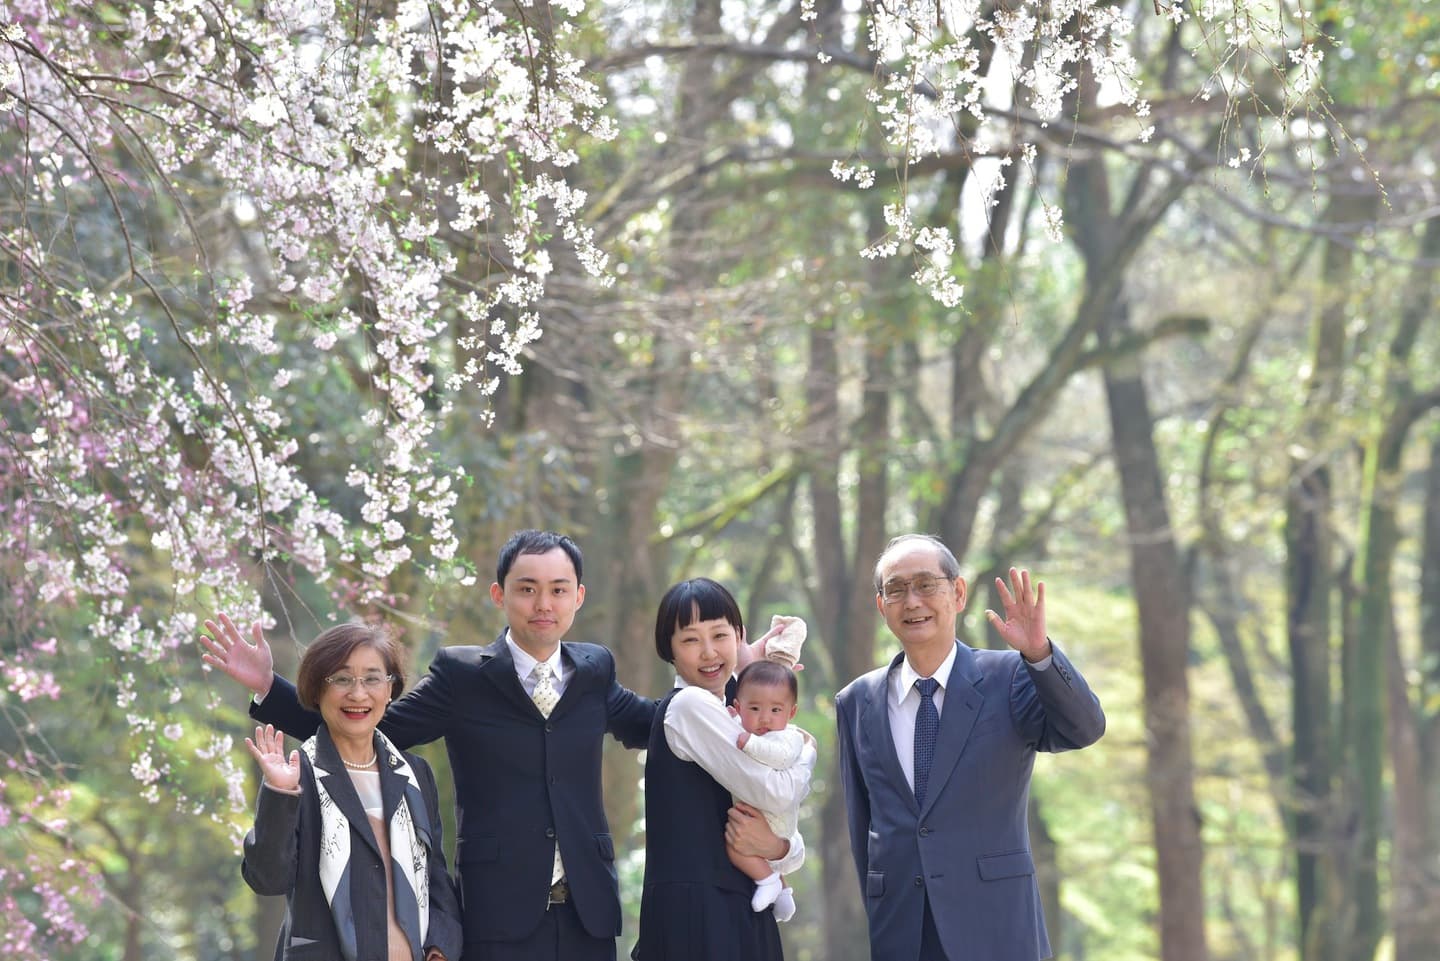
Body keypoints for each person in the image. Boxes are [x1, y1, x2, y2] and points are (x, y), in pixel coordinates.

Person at [202, 529, 786, 961]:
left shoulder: (595, 670)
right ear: (499, 594)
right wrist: (271, 689)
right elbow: (370, 724)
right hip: (498, 914)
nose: (543, 604)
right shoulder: (462, 676)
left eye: (558, 590)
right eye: (527, 589)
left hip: (589, 913)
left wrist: (739, 678)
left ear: (578, 597)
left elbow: (662, 726)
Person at [835, 534, 1106, 961]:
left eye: (926, 584)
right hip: (902, 932)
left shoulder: (1010, 677)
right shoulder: (857, 700)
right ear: (881, 605)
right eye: (896, 589)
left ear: (958, 593)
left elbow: (1084, 728)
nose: (912, 601)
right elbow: (862, 824)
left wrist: (1039, 654)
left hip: (996, 929)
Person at [240, 623, 462, 961]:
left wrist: (440, 948)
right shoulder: (298, 775)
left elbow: (435, 879)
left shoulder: (415, 774)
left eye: (372, 679)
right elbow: (267, 879)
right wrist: (280, 795)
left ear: (390, 690)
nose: (358, 695)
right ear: (316, 690)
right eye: (341, 679)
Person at [632, 577, 816, 961]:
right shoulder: (690, 706)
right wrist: (806, 754)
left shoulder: (734, 711)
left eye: (720, 635)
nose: (709, 652)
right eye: (690, 640)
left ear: (739, 636)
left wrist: (780, 847)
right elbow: (777, 793)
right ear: (669, 649)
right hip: (699, 918)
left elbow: (776, 822)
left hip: (737, 909)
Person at [725, 659, 809, 923]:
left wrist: (750, 743)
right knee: (746, 846)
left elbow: (780, 757)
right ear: (739, 707)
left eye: (775, 710)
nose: (765, 718)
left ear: (791, 712)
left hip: (776, 821)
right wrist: (733, 721)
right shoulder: (748, 730)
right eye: (754, 708)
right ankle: (783, 893)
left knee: (735, 848)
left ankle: (768, 881)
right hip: (759, 815)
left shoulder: (789, 737)